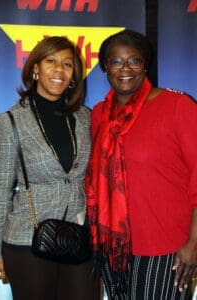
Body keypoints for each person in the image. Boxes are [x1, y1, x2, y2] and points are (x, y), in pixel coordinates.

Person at [85, 29, 197, 299]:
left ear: (145, 64)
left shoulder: (177, 106)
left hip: (166, 244)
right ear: (105, 67)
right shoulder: (100, 114)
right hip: (114, 248)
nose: (125, 69)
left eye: (134, 61)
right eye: (116, 61)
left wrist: (195, 242)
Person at [0, 36, 100, 300]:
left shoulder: (85, 117)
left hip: (78, 237)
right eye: (51, 61)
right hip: (26, 240)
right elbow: (0, 190)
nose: (59, 70)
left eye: (67, 64)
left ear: (74, 74)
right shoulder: (10, 121)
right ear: (35, 69)